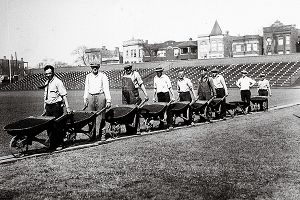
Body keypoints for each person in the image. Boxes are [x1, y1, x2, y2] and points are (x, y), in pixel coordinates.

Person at [42, 65, 71, 150]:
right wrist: (44, 108)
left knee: (58, 126)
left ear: (53, 72)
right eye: (46, 74)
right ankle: (52, 144)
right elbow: (45, 97)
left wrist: (68, 107)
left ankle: (60, 144)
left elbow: (64, 95)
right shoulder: (46, 83)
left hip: (56, 106)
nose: (48, 75)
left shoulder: (58, 82)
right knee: (49, 127)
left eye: (50, 73)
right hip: (48, 107)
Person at [84, 64, 111, 141]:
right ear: (91, 68)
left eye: (96, 67)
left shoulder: (103, 76)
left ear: (98, 68)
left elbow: (106, 88)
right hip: (90, 96)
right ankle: (92, 135)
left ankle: (102, 135)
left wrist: (108, 100)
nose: (94, 68)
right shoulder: (88, 76)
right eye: (93, 67)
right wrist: (85, 98)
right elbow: (86, 88)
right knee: (90, 117)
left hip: (100, 96)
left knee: (102, 116)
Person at [121, 64, 149, 134]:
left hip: (134, 95)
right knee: (126, 112)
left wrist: (146, 94)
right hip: (125, 96)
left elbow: (141, 84)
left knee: (135, 111)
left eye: (129, 69)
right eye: (126, 69)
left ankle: (137, 129)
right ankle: (129, 130)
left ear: (131, 68)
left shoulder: (135, 74)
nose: (128, 70)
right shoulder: (123, 75)